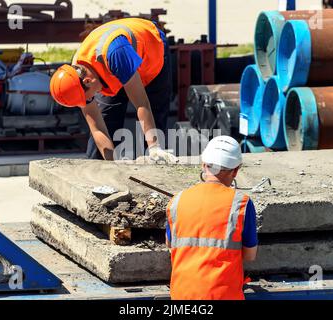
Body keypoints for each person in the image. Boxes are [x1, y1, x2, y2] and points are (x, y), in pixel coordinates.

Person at [50, 18, 177, 163]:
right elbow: (97, 128)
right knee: (107, 119)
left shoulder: (116, 53)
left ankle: (155, 163)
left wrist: (154, 147)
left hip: (151, 51)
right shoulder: (77, 74)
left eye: (85, 99)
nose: (86, 103)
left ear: (88, 81)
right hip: (114, 67)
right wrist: (113, 166)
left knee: (153, 116)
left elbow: (142, 104)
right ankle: (95, 174)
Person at [166, 136, 258, 300]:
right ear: (235, 170)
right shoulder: (241, 203)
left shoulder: (176, 201)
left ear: (203, 165)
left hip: (182, 296)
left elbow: (170, 244)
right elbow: (250, 256)